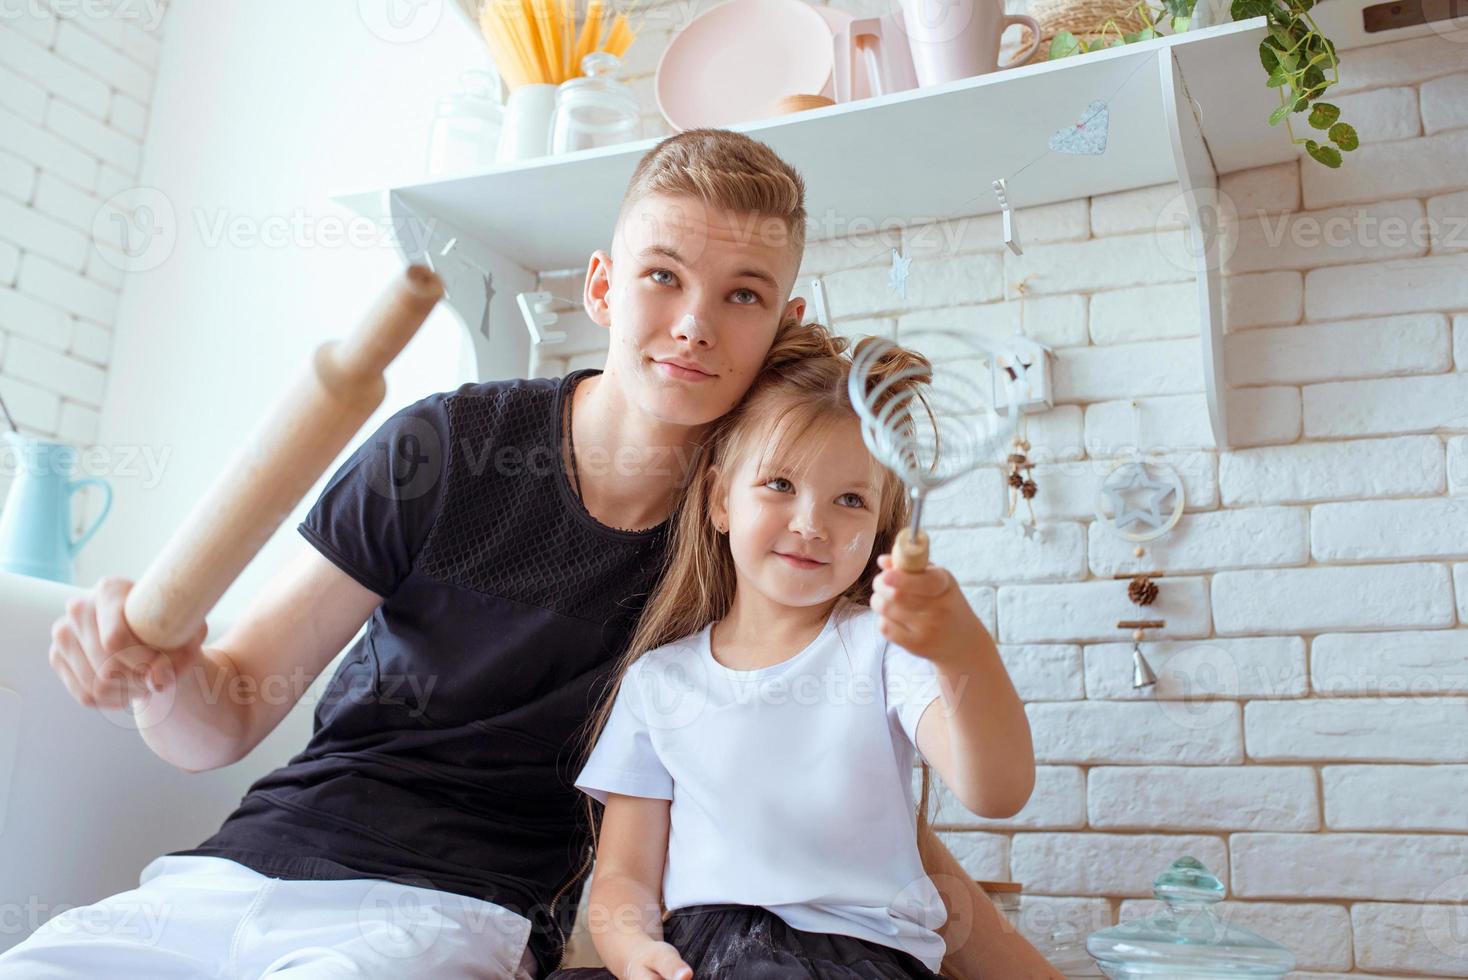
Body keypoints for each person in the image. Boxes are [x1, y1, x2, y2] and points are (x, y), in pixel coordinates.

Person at [6, 128, 1062, 978]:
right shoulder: (444, 444)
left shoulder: (754, 552)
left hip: (456, 913)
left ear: (780, 320)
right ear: (603, 287)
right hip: (242, 868)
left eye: (741, 293)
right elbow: (223, 711)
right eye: (663, 276)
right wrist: (158, 665)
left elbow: (845, 804)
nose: (693, 323)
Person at [543, 323, 1036, 980]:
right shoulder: (659, 681)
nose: (811, 523)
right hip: (700, 953)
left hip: (857, 960)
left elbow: (996, 790)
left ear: (879, 526)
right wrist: (636, 952)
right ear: (721, 499)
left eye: (850, 500)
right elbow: (623, 880)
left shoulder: (884, 650)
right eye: (779, 484)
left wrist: (962, 650)